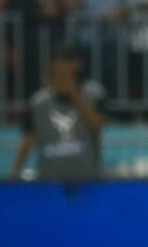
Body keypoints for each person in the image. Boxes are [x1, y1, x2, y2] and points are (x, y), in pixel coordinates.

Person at [13, 46, 107, 180]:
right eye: (57, 63)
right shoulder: (38, 102)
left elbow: (98, 124)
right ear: (50, 66)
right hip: (49, 180)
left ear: (76, 64)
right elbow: (28, 138)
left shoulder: (94, 94)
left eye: (66, 62)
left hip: (87, 179)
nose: (61, 68)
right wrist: (15, 171)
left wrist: (74, 96)